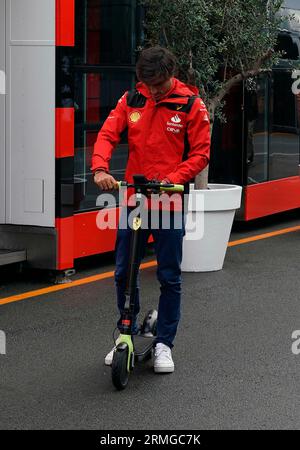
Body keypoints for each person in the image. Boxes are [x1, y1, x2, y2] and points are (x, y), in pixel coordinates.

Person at [92, 46, 210, 373]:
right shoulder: (132, 99)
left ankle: (164, 344)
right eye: (148, 84)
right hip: (135, 199)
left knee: (169, 276)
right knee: (122, 272)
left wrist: (170, 179)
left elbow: (200, 155)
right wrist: (100, 168)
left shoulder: (190, 104)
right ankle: (126, 332)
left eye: (158, 85)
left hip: (168, 199)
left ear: (171, 75)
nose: (153, 91)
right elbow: (106, 135)